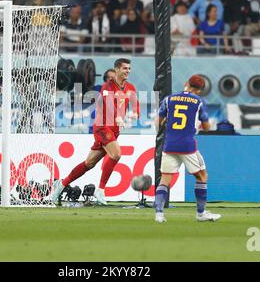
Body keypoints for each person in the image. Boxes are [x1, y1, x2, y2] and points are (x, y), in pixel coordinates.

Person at [52, 58, 139, 205]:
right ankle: (100, 190)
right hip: (102, 127)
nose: (128, 71)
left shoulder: (130, 87)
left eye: (129, 68)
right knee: (116, 154)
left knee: (89, 163)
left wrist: (135, 114)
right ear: (117, 69)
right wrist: (117, 116)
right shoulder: (107, 86)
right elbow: (109, 104)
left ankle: (61, 184)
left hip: (114, 130)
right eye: (125, 68)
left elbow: (135, 106)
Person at [154, 74, 221, 223]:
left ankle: (159, 214)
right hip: (187, 146)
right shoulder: (198, 101)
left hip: (169, 144)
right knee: (202, 176)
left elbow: (158, 122)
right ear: (199, 90)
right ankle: (201, 213)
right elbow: (206, 127)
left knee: (165, 180)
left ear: (186, 83)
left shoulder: (169, 99)